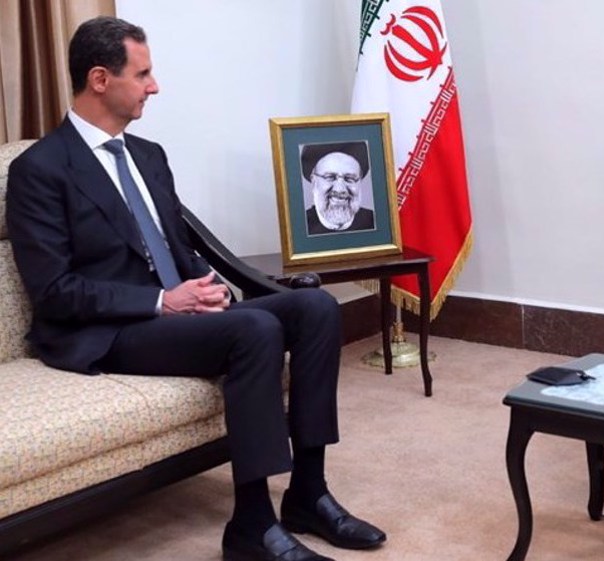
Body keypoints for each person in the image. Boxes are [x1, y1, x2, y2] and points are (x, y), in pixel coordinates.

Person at [5, 16, 385, 561]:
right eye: (144, 74)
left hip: (176, 311)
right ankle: (252, 527)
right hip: (108, 331)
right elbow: (55, 291)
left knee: (317, 308)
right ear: (99, 79)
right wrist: (164, 301)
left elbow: (182, 249)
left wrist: (207, 289)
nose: (154, 86)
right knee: (255, 328)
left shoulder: (148, 156)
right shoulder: (40, 169)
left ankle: (308, 491)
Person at [302, 142, 376, 235]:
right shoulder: (299, 228)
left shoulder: (374, 222)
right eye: (330, 177)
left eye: (349, 179)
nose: (340, 189)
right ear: (314, 181)